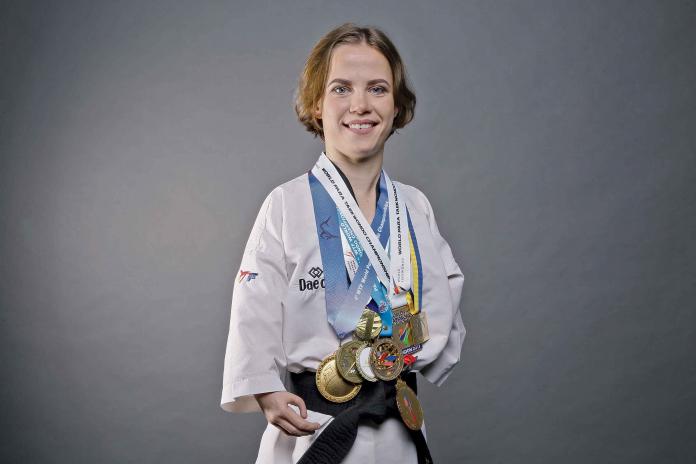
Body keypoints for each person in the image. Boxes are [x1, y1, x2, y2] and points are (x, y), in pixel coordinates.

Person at [221, 23, 466, 464]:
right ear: (317, 104)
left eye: (377, 88)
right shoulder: (286, 204)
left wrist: (412, 351)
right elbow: (252, 302)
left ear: (396, 106)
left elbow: (444, 292)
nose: (360, 105)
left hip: (399, 425)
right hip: (314, 427)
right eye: (341, 88)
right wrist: (263, 387)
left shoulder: (414, 206)